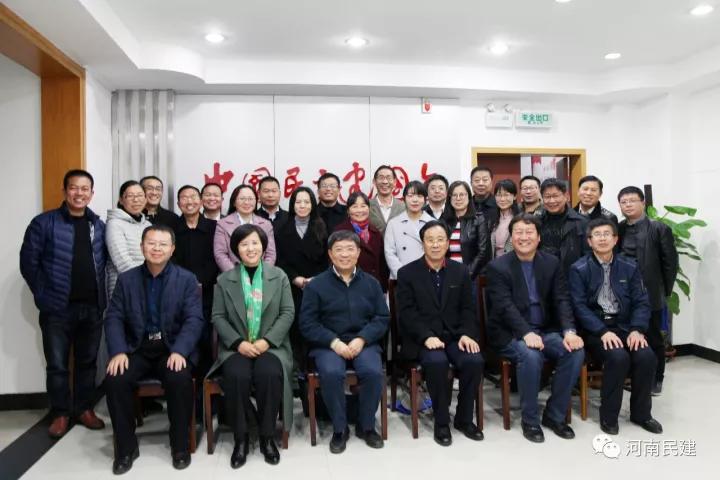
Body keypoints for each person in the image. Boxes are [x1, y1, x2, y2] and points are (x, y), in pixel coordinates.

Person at [104, 225, 203, 474]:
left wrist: (180, 350)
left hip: (171, 348)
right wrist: (118, 351)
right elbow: (114, 317)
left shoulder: (186, 279)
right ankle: (126, 449)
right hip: (136, 348)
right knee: (115, 379)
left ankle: (179, 445)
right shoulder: (126, 280)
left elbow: (194, 320)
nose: (156, 248)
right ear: (142, 247)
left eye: (162, 244)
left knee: (179, 378)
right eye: (151, 243)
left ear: (172, 249)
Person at [20, 169, 107, 438]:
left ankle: (83, 409)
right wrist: (44, 296)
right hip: (57, 309)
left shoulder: (98, 226)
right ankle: (60, 413)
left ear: (91, 193)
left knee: (87, 362)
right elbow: (28, 263)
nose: (79, 193)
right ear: (65, 190)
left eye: (85, 189)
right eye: (74, 188)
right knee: (57, 365)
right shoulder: (44, 223)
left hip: (92, 307)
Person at [486, 213, 585, 443]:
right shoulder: (498, 267)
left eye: (529, 232)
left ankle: (554, 415)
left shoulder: (551, 263)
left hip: (545, 330)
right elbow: (504, 307)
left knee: (574, 351)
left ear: (539, 237)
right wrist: (526, 333)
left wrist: (569, 332)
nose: (524, 237)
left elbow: (562, 299)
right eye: (518, 232)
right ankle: (530, 420)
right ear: (511, 237)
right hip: (510, 333)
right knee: (530, 355)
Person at [209, 224, 295, 468]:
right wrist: (238, 343)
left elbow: (287, 312)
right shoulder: (224, 280)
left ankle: (267, 436)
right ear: (236, 249)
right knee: (236, 375)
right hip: (237, 346)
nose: (250, 248)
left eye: (255, 243)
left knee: (269, 373)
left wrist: (267, 341)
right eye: (244, 244)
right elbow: (218, 317)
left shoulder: (278, 276)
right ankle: (242, 437)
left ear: (264, 247)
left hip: (271, 345)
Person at [569, 218, 662, 435]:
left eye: (606, 234)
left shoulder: (629, 266)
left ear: (615, 239)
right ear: (589, 241)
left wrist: (637, 329)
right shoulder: (579, 268)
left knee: (646, 356)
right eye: (597, 235)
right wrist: (602, 331)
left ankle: (642, 414)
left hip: (626, 326)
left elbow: (641, 301)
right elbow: (578, 306)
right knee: (618, 357)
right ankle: (609, 416)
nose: (602, 239)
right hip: (596, 330)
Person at [396, 220, 485, 446]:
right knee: (437, 362)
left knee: (474, 360)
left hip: (455, 336)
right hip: (423, 339)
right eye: (430, 240)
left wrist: (466, 334)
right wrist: (426, 336)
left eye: (440, 240)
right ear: (422, 243)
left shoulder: (460, 271)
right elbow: (406, 314)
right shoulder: (407, 273)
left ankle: (464, 419)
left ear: (447, 243)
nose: (435, 245)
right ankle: (442, 422)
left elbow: (468, 308)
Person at [299, 230, 389, 454]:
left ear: (358, 252)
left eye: (350, 249)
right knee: (331, 373)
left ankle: (366, 426)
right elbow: (307, 323)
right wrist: (333, 342)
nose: (345, 254)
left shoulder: (371, 283)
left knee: (373, 372)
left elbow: (382, 318)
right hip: (328, 344)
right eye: (339, 250)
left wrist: (362, 338)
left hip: (363, 342)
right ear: (330, 254)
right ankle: (340, 430)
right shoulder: (316, 285)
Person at [617, 186, 678, 395]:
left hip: (650, 292)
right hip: (625, 293)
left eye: (632, 200)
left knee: (653, 338)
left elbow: (670, 264)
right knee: (630, 336)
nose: (628, 205)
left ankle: (657, 379)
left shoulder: (659, 228)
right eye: (623, 202)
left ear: (643, 203)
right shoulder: (619, 228)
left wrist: (664, 291)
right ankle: (635, 377)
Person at [275, 186, 329, 369]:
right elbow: (279, 260)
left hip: (317, 285)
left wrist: (315, 279)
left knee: (315, 325)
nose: (302, 205)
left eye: (307, 202)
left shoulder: (322, 227)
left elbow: (327, 259)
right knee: (294, 327)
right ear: (292, 205)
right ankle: (296, 370)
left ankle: (314, 368)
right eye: (298, 202)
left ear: (312, 204)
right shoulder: (282, 229)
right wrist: (295, 278)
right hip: (291, 287)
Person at [173, 185, 218, 378]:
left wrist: (201, 282)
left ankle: (206, 383)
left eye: (193, 197)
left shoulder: (214, 228)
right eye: (184, 198)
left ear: (200, 202)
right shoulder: (172, 228)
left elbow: (216, 258)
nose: (189, 201)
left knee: (207, 337)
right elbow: (170, 260)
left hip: (208, 292)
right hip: (178, 292)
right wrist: (187, 283)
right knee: (182, 334)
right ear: (178, 203)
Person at [106, 180, 152, 297]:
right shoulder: (114, 224)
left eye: (140, 195)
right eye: (130, 196)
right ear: (121, 200)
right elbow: (121, 261)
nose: (136, 200)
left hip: (148, 285)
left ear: (145, 199)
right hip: (124, 287)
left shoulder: (148, 225)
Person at [334, 191, 389, 291]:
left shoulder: (375, 232)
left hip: (374, 287)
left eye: (363, 206)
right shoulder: (339, 232)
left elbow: (382, 264)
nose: (359, 210)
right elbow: (334, 263)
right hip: (349, 287)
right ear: (348, 210)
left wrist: (384, 288)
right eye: (355, 206)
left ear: (369, 208)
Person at [214, 184, 276, 271]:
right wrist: (236, 275)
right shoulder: (222, 224)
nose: (246, 202)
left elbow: (270, 254)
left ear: (256, 201)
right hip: (233, 274)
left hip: (261, 274)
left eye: (250, 199)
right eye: (242, 199)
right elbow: (220, 254)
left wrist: (262, 273)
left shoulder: (266, 224)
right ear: (234, 202)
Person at [538, 178, 589, 276]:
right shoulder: (538, 222)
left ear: (566, 196)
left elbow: (587, 255)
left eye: (556, 196)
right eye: (547, 197)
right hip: (544, 276)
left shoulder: (582, 222)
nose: (552, 201)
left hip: (573, 276)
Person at [384, 180, 434, 280]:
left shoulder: (433, 223)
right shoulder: (393, 223)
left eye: (419, 196)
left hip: (427, 277)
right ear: (404, 199)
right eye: (410, 196)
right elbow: (389, 253)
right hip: (400, 277)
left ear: (425, 200)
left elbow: (436, 252)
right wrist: (402, 275)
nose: (415, 200)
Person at [440, 181, 489, 280]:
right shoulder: (444, 221)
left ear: (469, 197)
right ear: (449, 198)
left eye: (462, 195)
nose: (458, 198)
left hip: (470, 276)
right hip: (447, 275)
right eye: (454, 195)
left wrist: (468, 272)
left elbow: (483, 251)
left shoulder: (478, 219)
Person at [368, 165, 405, 235]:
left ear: (395, 182)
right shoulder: (367, 206)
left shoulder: (403, 207)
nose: (385, 182)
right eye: (381, 178)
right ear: (374, 181)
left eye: (389, 178)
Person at [490, 179, 521, 258]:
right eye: (499, 195)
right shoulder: (491, 218)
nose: (502, 199)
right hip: (495, 261)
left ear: (514, 196)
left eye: (506, 195)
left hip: (513, 260)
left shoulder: (520, 219)